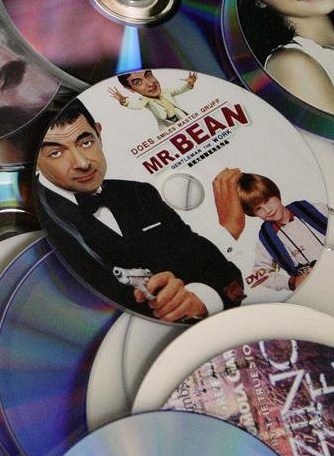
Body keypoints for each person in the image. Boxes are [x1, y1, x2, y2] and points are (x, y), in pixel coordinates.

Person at [35, 101, 244, 321]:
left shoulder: (138, 192)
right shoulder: (38, 228)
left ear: (99, 133)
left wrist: (202, 298)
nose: (82, 163)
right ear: (36, 161)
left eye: (86, 142)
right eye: (56, 153)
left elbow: (213, 264)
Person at [212, 169, 326, 293]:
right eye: (258, 209)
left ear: (276, 194)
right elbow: (256, 277)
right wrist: (292, 282)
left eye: (267, 200)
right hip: (316, 287)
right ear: (252, 213)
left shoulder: (313, 209)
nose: (267, 210)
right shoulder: (267, 239)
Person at [107, 70, 196, 131]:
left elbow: (179, 90)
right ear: (130, 89)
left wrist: (190, 84)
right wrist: (124, 101)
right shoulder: (145, 100)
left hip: (184, 118)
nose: (150, 84)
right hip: (169, 126)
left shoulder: (165, 92)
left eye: (149, 76)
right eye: (138, 83)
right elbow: (137, 105)